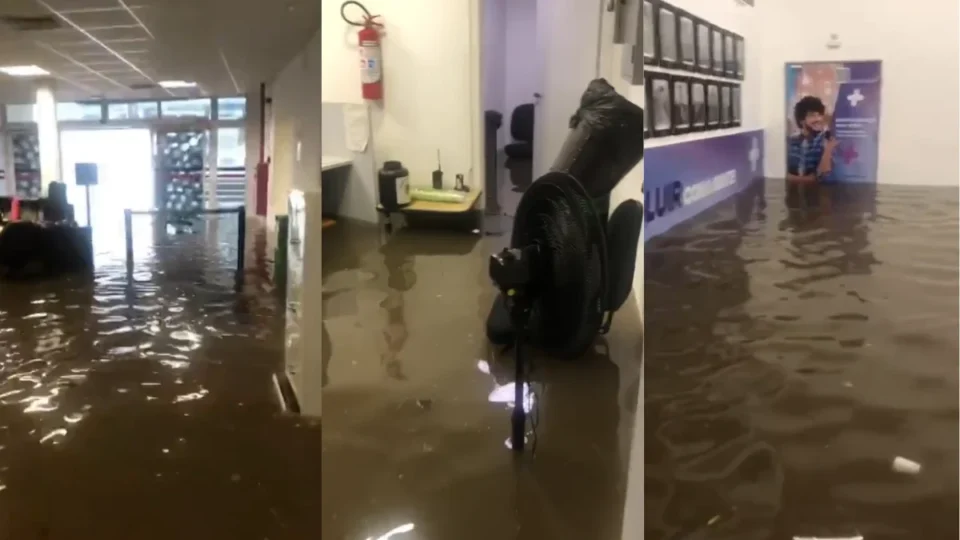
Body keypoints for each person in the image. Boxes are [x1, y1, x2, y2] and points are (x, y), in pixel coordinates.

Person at [787, 96, 839, 185]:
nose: (818, 119)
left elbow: (824, 174)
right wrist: (809, 179)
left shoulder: (826, 140)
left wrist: (828, 149)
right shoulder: (790, 142)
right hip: (792, 194)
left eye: (819, 115)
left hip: (818, 195)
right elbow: (781, 173)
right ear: (801, 120)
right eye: (812, 115)